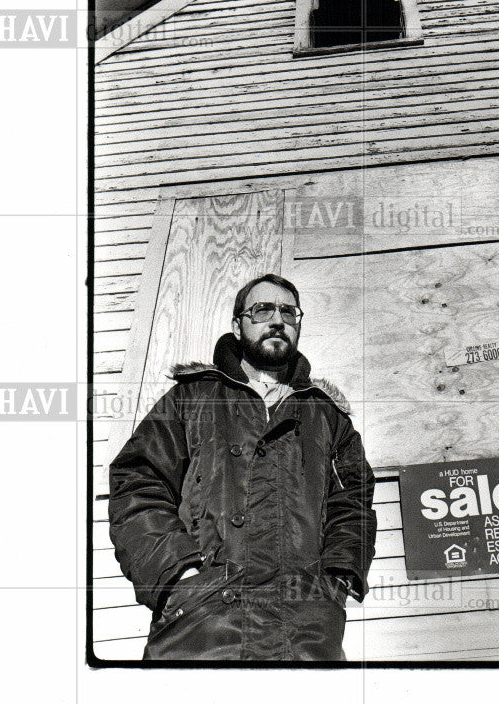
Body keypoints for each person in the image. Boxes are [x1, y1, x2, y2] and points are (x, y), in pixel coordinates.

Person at [108, 273, 377, 661]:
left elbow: (353, 503)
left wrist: (333, 583)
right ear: (238, 325)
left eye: (289, 311)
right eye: (262, 309)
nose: (277, 320)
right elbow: (136, 484)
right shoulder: (192, 398)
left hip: (305, 632)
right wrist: (178, 578)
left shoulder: (326, 415)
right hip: (201, 628)